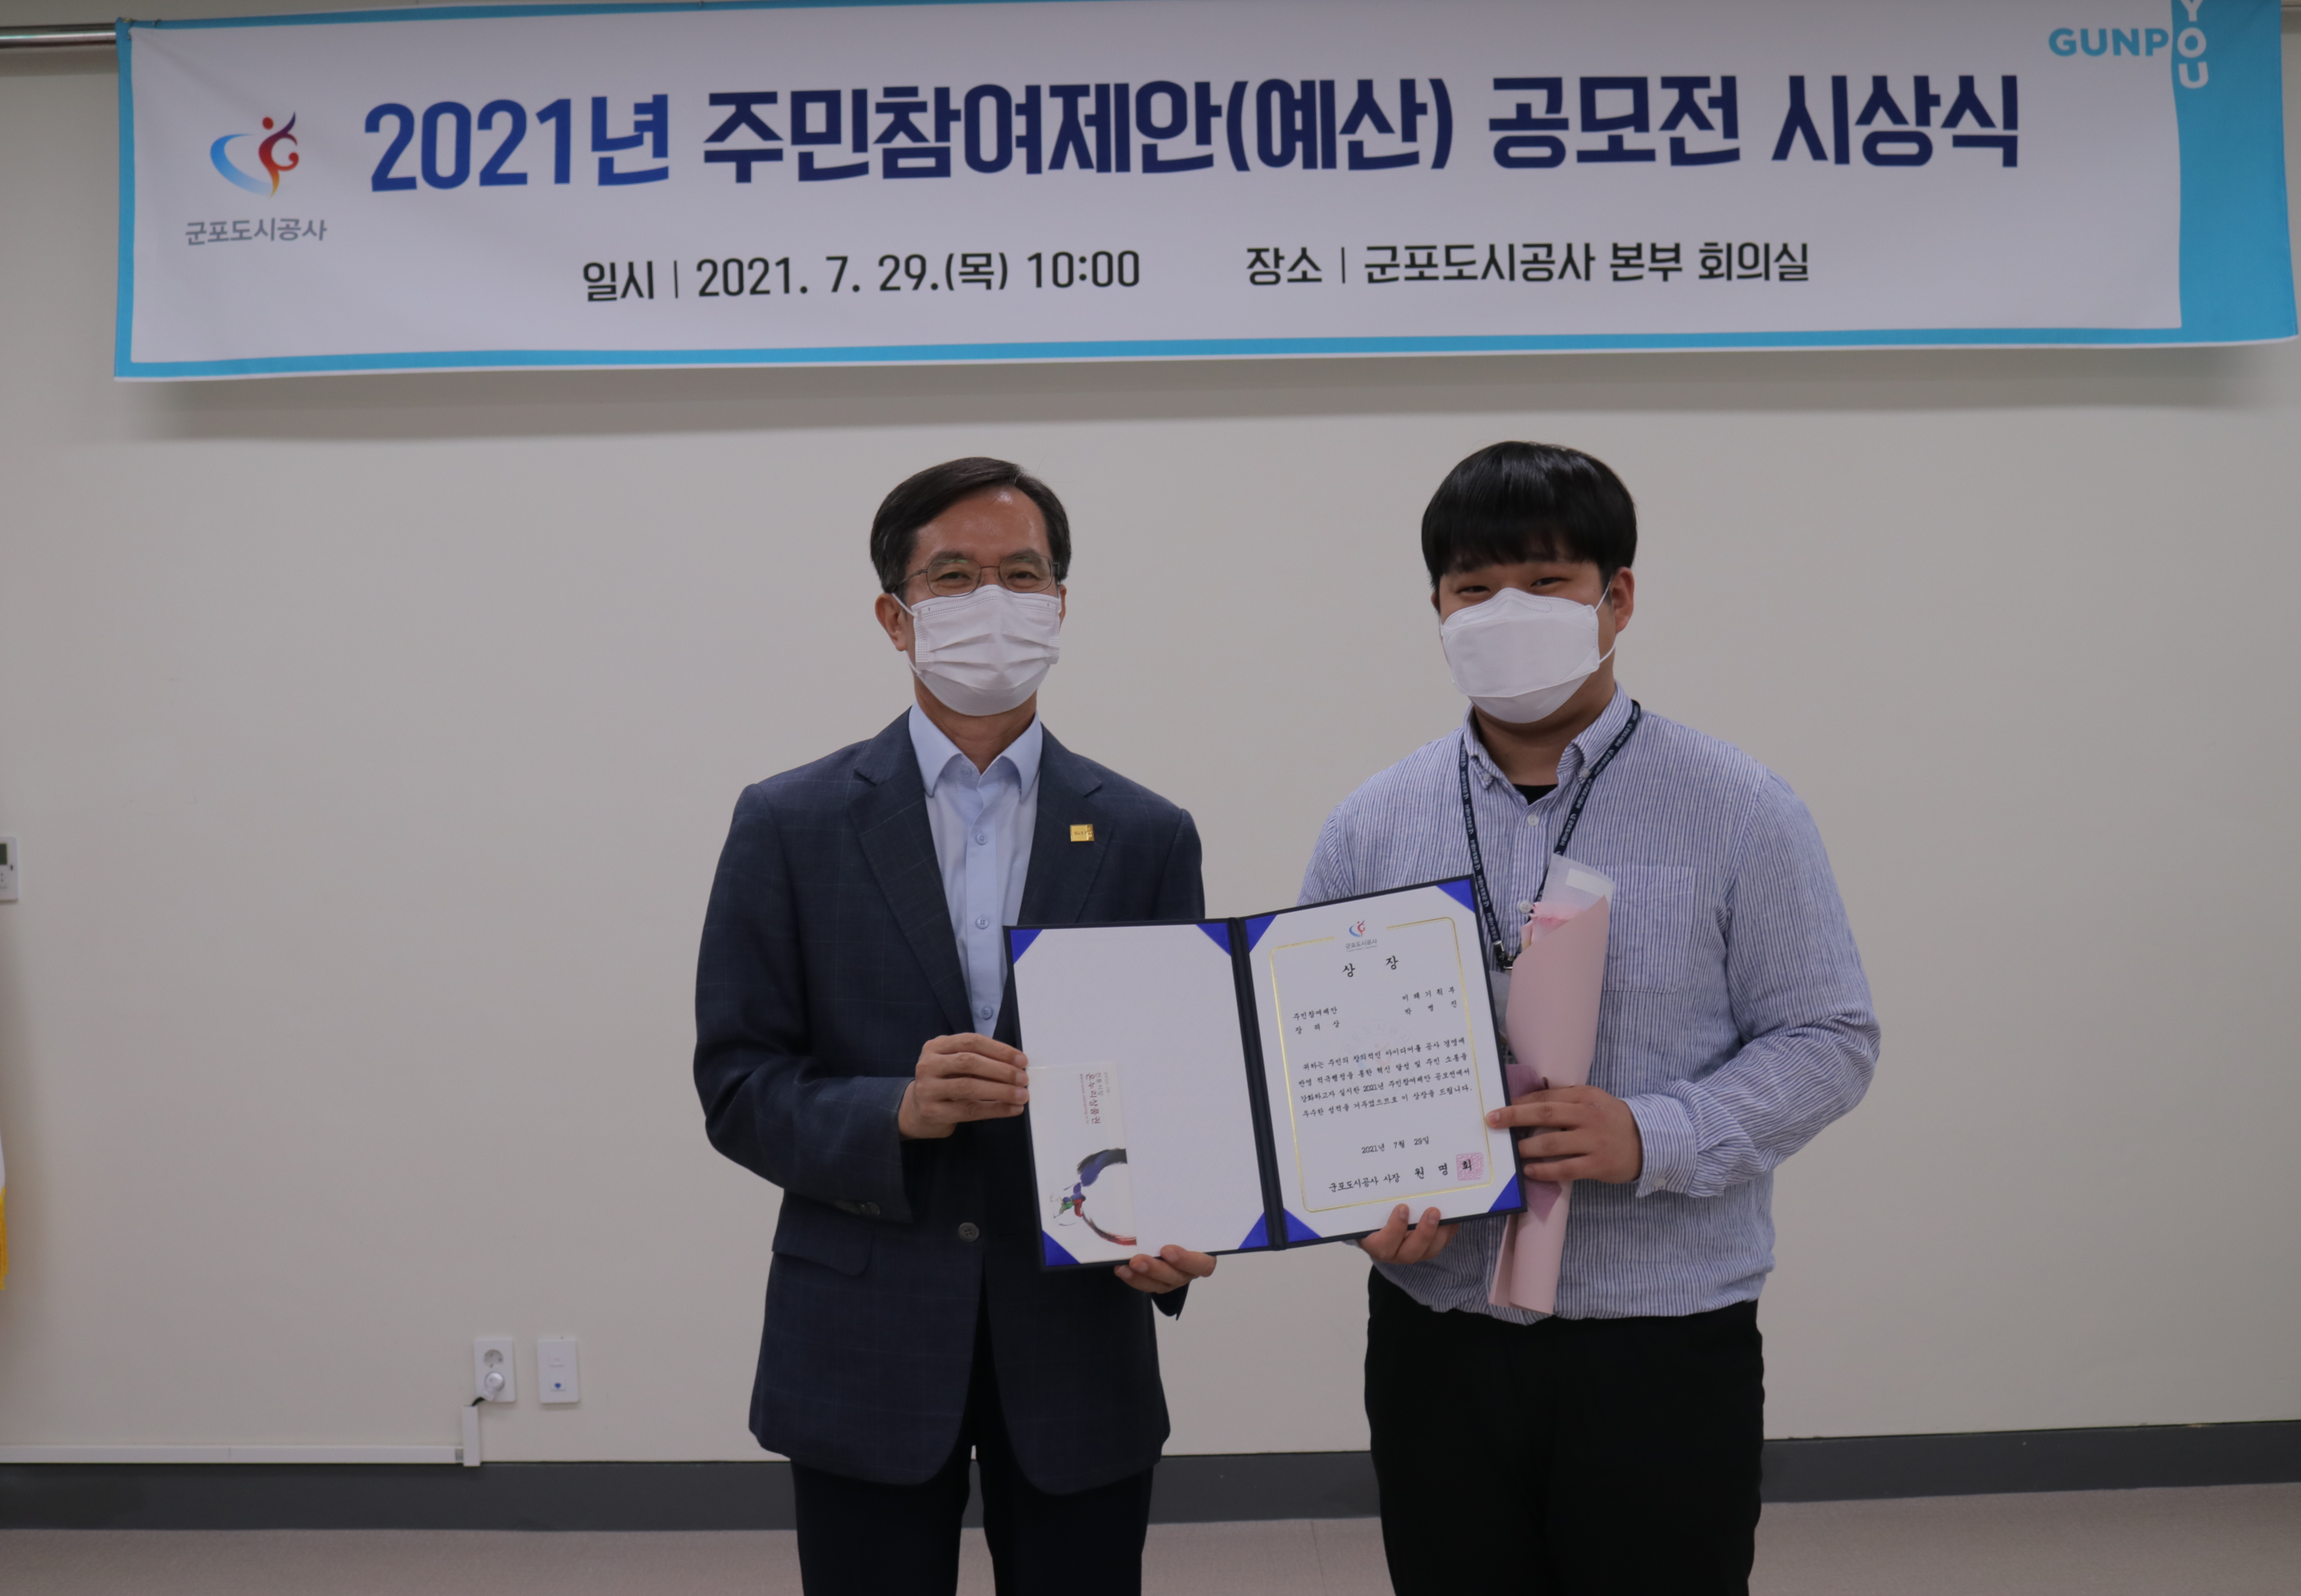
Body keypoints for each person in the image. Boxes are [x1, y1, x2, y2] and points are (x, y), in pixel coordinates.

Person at [1301, 441, 1879, 1596]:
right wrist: (1356, 1206)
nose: (1504, 613)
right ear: (1436, 610)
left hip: (1660, 1334)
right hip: (1440, 1328)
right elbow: (1313, 1056)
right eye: (1474, 589)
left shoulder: (1741, 809)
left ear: (1618, 596)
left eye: (1545, 582)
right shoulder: (1373, 824)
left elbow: (1829, 1038)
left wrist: (1651, 1133)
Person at [694, 457, 1216, 1596]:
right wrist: (897, 1110)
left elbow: (1177, 1086)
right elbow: (738, 1085)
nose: (993, 601)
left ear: (1060, 607)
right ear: (896, 616)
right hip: (863, 1331)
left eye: (1021, 576)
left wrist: (1180, 1221)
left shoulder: (1146, 834)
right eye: (954, 577)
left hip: (1078, 1330)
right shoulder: (788, 823)